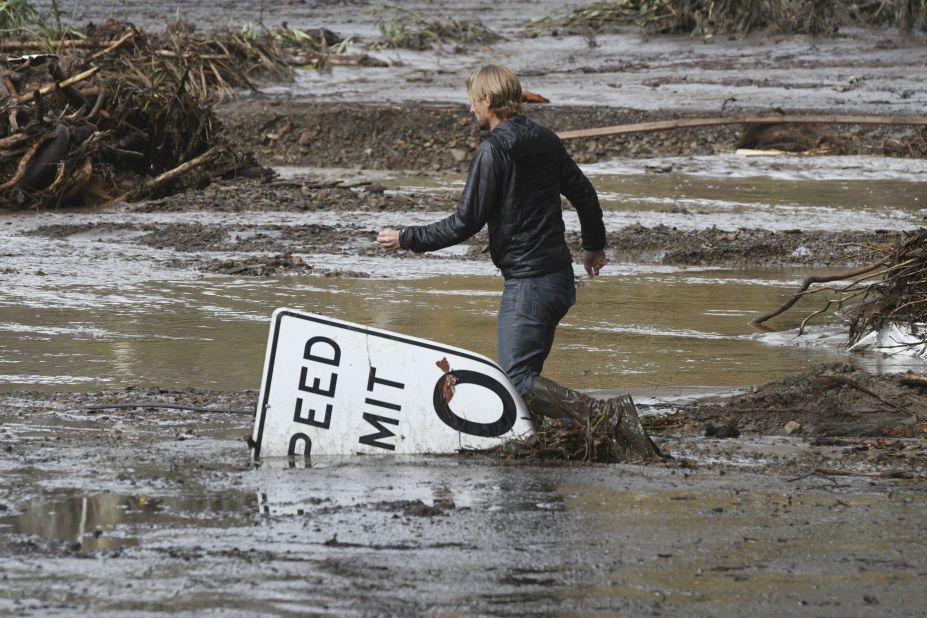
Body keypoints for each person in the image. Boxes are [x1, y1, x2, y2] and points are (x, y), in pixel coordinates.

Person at [377, 65, 659, 459]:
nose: (471, 108)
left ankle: (601, 417)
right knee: (530, 384)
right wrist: (593, 247)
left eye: (473, 100)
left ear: (487, 101)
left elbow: (465, 222)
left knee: (516, 381)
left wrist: (406, 238)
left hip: (530, 285)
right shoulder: (544, 139)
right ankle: (557, 442)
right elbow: (585, 194)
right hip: (558, 281)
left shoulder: (495, 149)